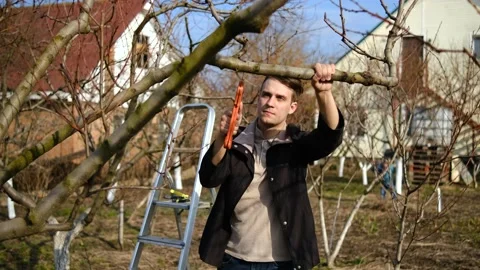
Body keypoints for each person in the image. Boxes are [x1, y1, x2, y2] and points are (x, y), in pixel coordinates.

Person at [198, 63, 344, 270]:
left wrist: (324, 93)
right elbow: (209, 178)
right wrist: (223, 136)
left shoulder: (296, 145)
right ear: (258, 99)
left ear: (292, 107)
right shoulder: (239, 141)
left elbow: (330, 136)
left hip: (282, 263)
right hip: (234, 259)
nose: (270, 103)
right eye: (266, 95)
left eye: (280, 98)